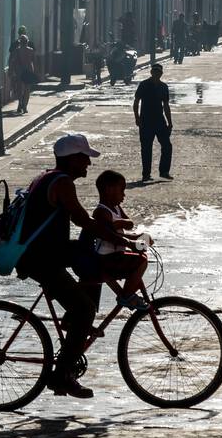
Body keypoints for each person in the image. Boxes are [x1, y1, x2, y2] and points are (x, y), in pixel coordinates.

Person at [16, 133, 127, 399]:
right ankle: (62, 375)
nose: (88, 164)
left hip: (47, 252)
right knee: (85, 308)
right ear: (73, 159)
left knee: (91, 264)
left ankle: (72, 323)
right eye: (85, 158)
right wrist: (118, 239)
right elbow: (82, 220)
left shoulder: (47, 176)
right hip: (41, 259)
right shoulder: (63, 182)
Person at [78, 170, 151, 311]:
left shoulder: (116, 208)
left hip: (115, 253)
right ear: (109, 190)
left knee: (141, 248)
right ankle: (127, 295)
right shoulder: (101, 212)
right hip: (106, 257)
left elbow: (128, 224)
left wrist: (134, 236)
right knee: (141, 261)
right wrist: (127, 236)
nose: (124, 195)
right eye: (122, 190)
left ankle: (125, 295)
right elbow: (111, 236)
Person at [134, 63, 174, 182]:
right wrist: (137, 118)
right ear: (151, 72)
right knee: (146, 148)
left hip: (159, 121)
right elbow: (136, 102)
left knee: (167, 146)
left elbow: (166, 105)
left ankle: (164, 171)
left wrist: (170, 122)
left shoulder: (163, 87)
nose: (157, 74)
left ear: (161, 73)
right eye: (155, 71)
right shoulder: (144, 85)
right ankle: (146, 174)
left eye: (159, 72)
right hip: (145, 121)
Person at [11, 34, 36, 114]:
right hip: (29, 71)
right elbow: (33, 61)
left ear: (20, 42)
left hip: (20, 72)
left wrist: (13, 71)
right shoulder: (31, 50)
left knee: (20, 90)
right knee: (27, 90)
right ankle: (25, 107)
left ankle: (20, 104)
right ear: (27, 42)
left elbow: (13, 62)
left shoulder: (17, 51)